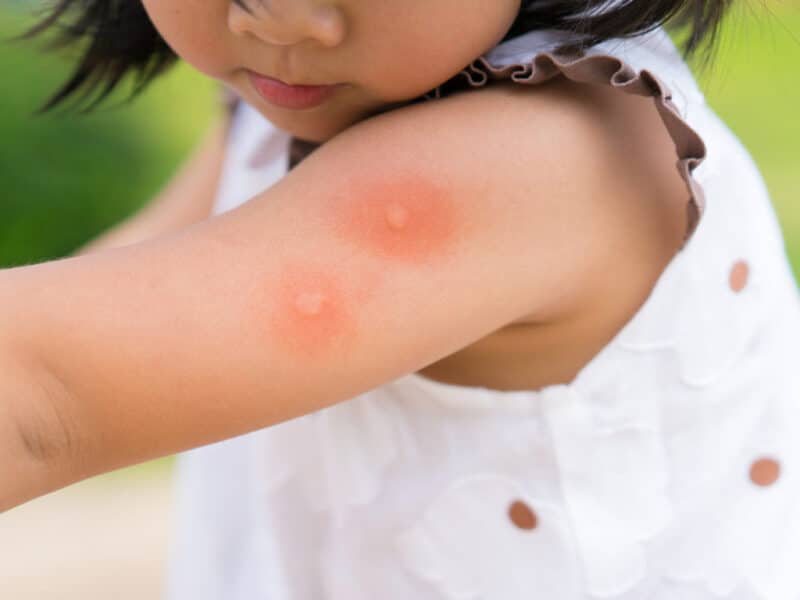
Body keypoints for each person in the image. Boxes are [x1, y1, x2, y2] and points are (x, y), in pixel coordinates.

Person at [3, 0, 799, 598]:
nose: (281, 16)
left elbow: (45, 393)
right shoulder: (302, 96)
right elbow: (105, 304)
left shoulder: (540, 157)